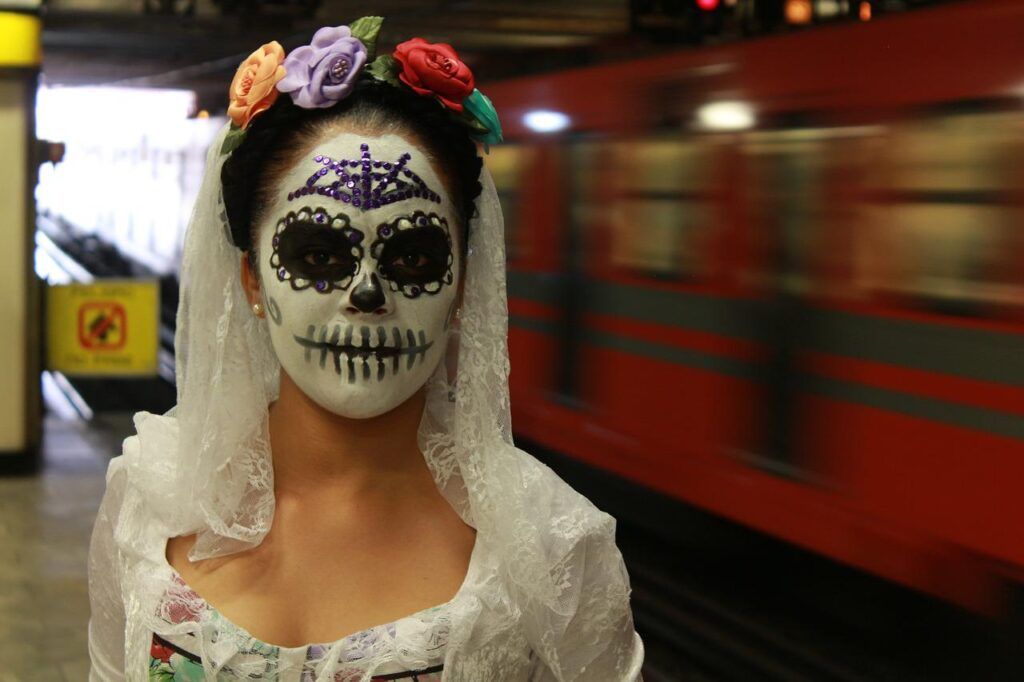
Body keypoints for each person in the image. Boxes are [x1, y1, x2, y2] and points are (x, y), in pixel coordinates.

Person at [88, 17, 644, 681]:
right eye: (319, 254)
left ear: (463, 285)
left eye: (412, 257)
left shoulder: (555, 548)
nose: (368, 293)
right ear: (252, 281)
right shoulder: (149, 499)